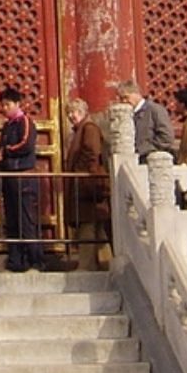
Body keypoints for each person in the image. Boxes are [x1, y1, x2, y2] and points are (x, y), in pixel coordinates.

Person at [0, 86, 40, 271]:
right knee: (11, 221)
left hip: (23, 176)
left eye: (8, 104)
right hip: (9, 178)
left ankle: (35, 260)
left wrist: (6, 152)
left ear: (17, 104)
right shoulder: (7, 126)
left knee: (26, 220)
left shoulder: (25, 122)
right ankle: (15, 260)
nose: (5, 108)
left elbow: (26, 144)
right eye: (3, 105)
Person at [63, 97, 107, 271]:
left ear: (83, 112)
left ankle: (87, 265)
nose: (72, 116)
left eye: (75, 112)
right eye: (69, 113)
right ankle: (103, 264)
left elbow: (92, 153)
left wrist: (85, 174)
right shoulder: (80, 130)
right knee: (95, 228)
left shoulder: (89, 129)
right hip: (83, 185)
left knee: (88, 226)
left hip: (86, 185)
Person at [117, 79, 175, 161]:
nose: (124, 101)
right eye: (121, 99)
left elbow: (167, 137)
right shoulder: (128, 114)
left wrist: (146, 149)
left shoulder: (154, 110)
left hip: (151, 160)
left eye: (126, 97)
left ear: (136, 94)